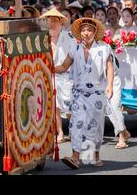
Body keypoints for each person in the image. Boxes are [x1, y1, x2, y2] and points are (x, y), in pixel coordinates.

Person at [55, 17, 114, 169]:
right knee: (76, 124)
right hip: (79, 93)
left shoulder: (103, 49)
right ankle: (75, 157)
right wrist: (47, 66)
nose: (85, 33)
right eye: (83, 30)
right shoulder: (74, 48)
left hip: (97, 94)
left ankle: (94, 155)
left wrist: (110, 86)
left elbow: (109, 68)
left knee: (95, 126)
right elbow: (63, 66)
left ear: (95, 32)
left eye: (89, 30)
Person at [41, 8, 75, 143]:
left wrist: (53, 69)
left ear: (61, 22)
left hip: (66, 76)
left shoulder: (69, 37)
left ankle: (72, 131)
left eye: (55, 20)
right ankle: (59, 132)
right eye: (49, 20)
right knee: (54, 106)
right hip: (49, 76)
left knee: (69, 106)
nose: (52, 23)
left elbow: (69, 60)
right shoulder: (43, 38)